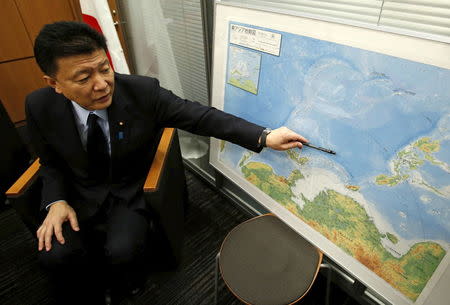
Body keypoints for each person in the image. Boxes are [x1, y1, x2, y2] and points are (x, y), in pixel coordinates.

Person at [27, 21, 308, 304]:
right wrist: (56, 201)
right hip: (77, 194)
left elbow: (200, 117)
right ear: (54, 83)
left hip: (127, 192)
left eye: (104, 68)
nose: (101, 84)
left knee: (124, 252)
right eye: (83, 77)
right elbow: (49, 162)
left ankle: (128, 287)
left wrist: (264, 136)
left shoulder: (141, 92)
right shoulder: (39, 106)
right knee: (55, 255)